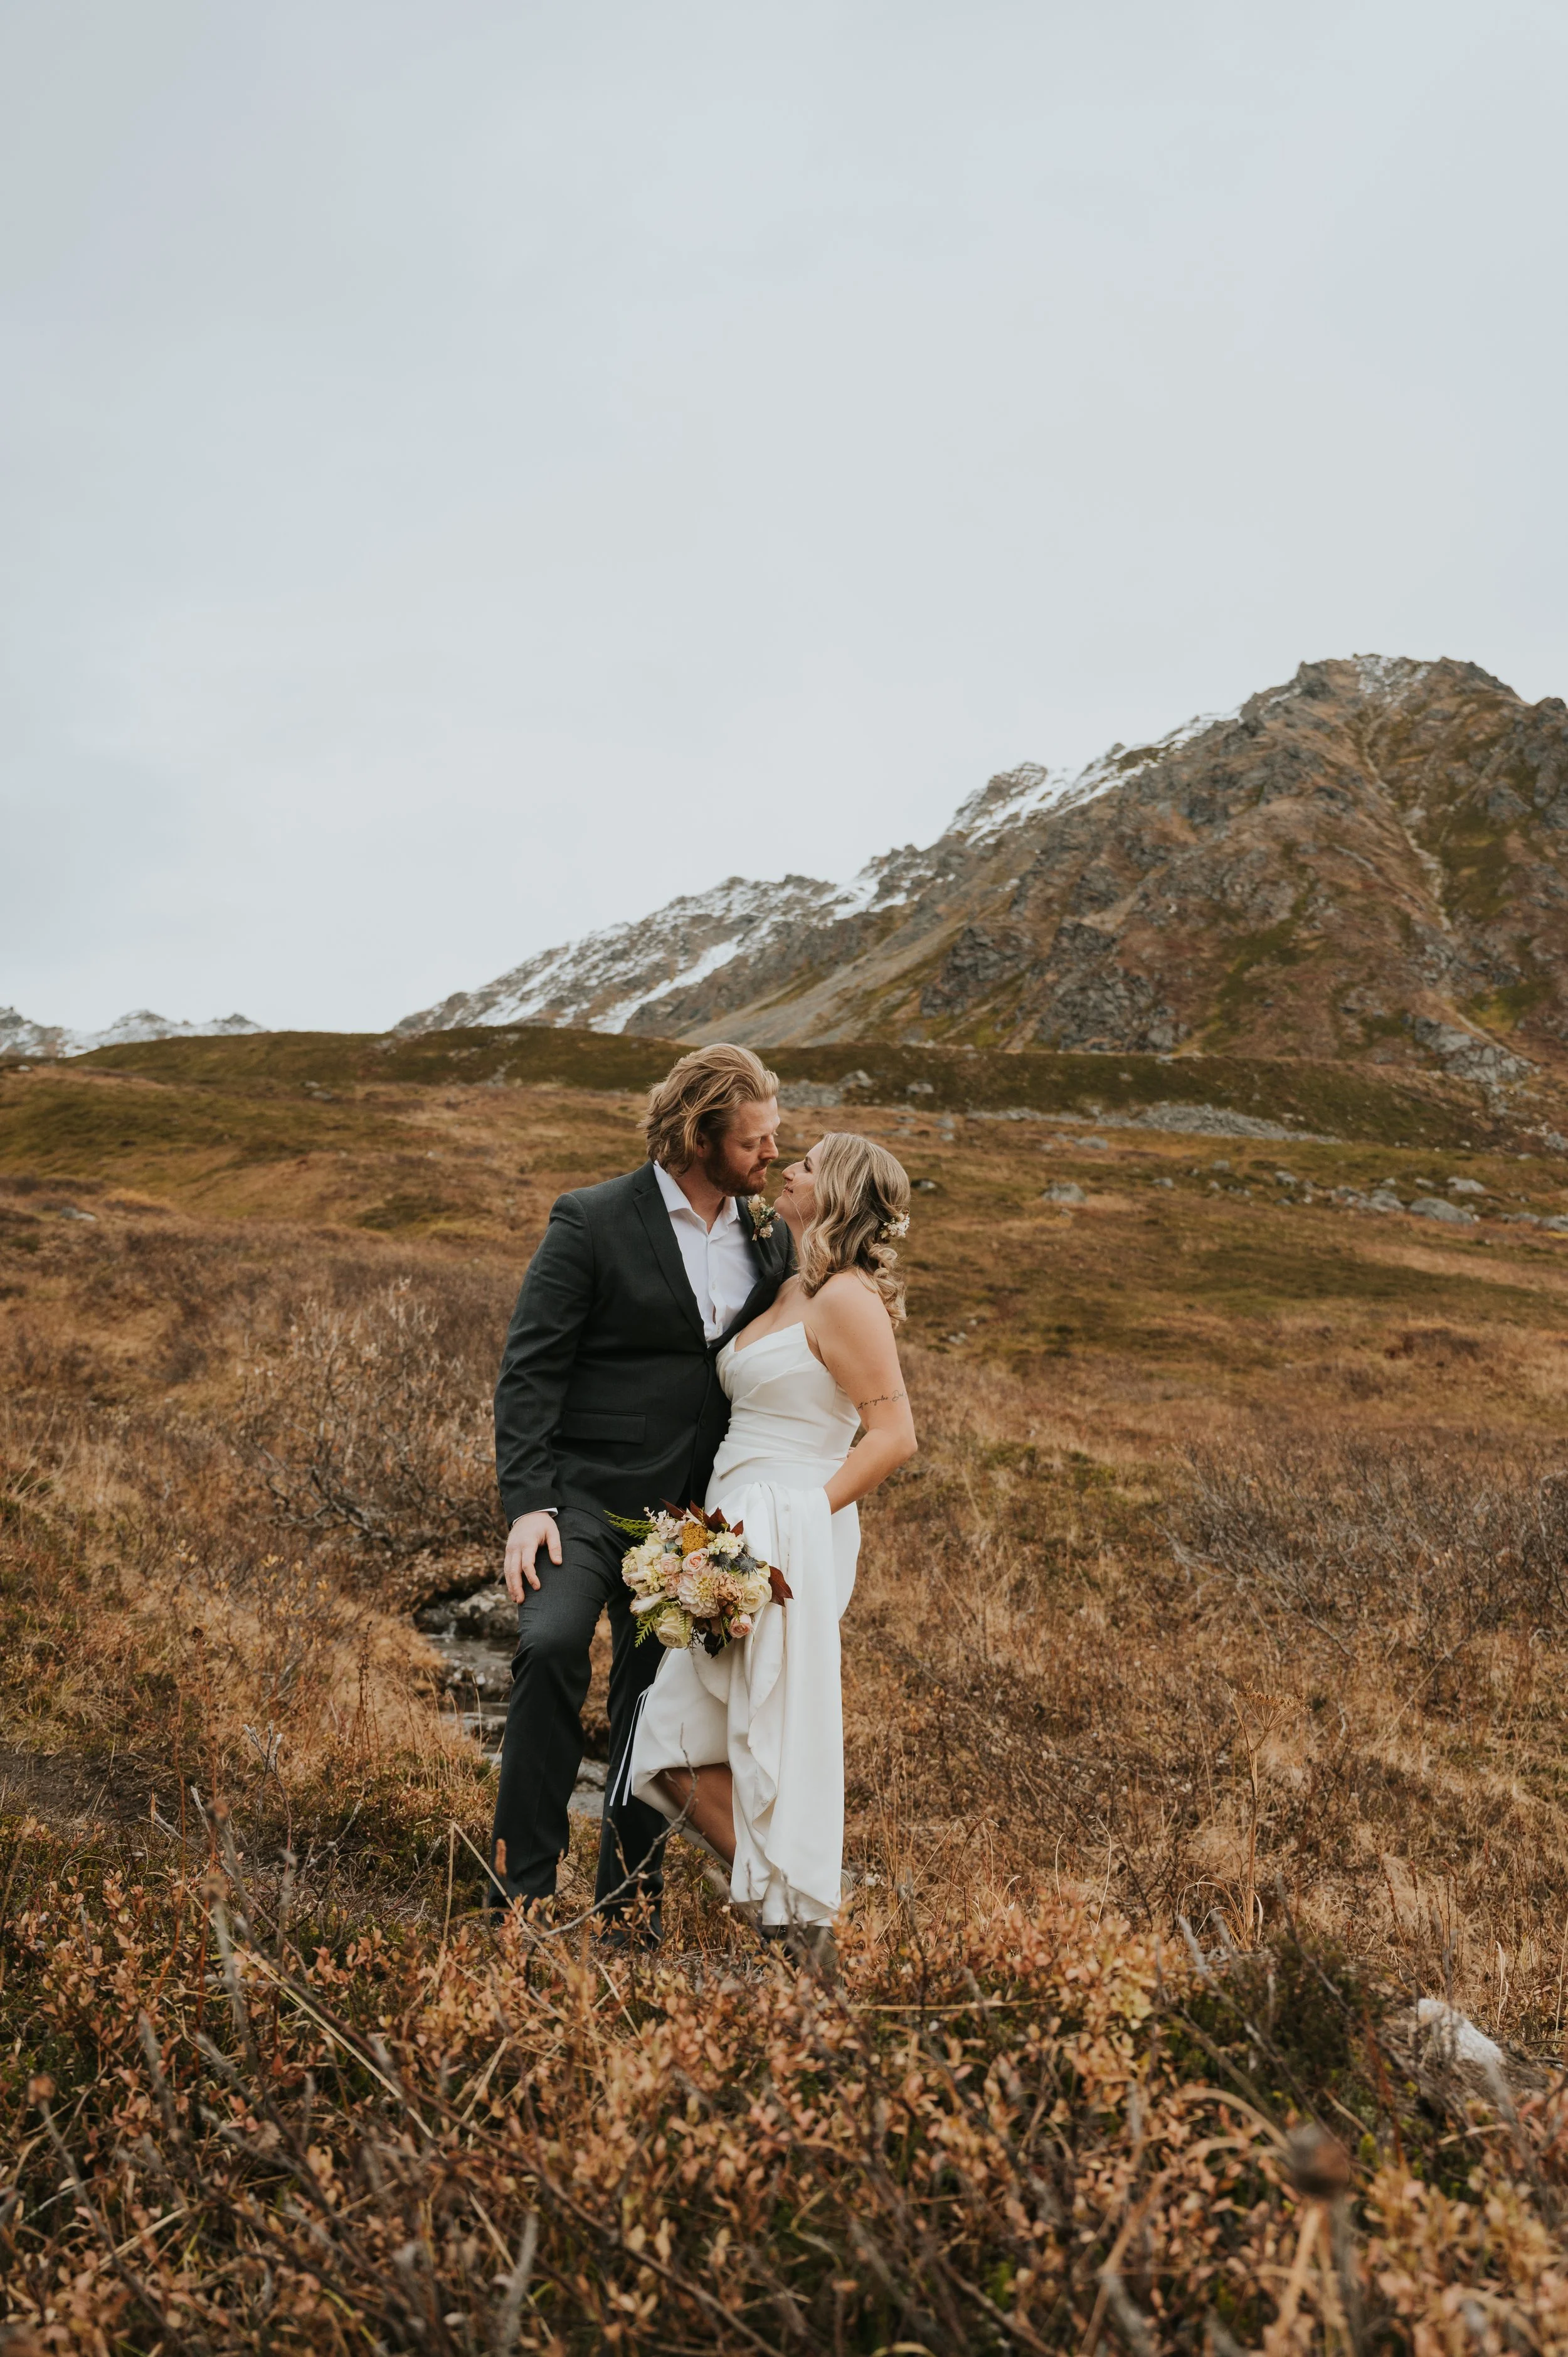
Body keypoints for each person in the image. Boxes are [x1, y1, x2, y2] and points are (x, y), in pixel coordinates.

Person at [489, 1042, 795, 1939]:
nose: (771, 1156)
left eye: (775, 1140)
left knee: (654, 1702)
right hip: (581, 1498)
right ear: (701, 1136)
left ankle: (629, 1908)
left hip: (694, 1519)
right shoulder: (590, 1219)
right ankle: (519, 1900)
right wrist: (529, 1504)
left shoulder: (765, 1235)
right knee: (548, 1650)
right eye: (754, 1143)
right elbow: (529, 1372)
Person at [627, 1131, 917, 1973]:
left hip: (788, 1539)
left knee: (736, 1735)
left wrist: (791, 1521)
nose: (789, 1169)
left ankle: (802, 1939)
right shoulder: (792, 1283)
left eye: (809, 1165)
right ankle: (799, 1931)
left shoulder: (847, 1300)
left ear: (837, 1193)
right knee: (678, 1746)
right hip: (736, 1529)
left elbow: (894, 1435)